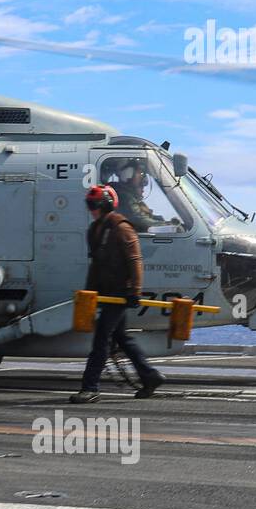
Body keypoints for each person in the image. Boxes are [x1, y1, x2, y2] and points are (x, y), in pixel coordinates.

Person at [73, 184, 166, 404]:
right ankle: (150, 376)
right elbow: (95, 264)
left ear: (105, 205)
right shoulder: (95, 230)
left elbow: (135, 260)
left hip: (120, 294)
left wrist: (134, 290)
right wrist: (90, 294)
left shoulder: (121, 228)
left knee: (101, 340)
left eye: (94, 205)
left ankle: (90, 387)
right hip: (107, 293)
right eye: (89, 205)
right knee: (121, 337)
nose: (91, 209)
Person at [109, 160, 167, 233]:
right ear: (128, 174)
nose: (143, 177)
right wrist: (168, 225)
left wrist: (161, 221)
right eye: (140, 173)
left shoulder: (130, 197)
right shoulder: (124, 197)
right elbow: (140, 219)